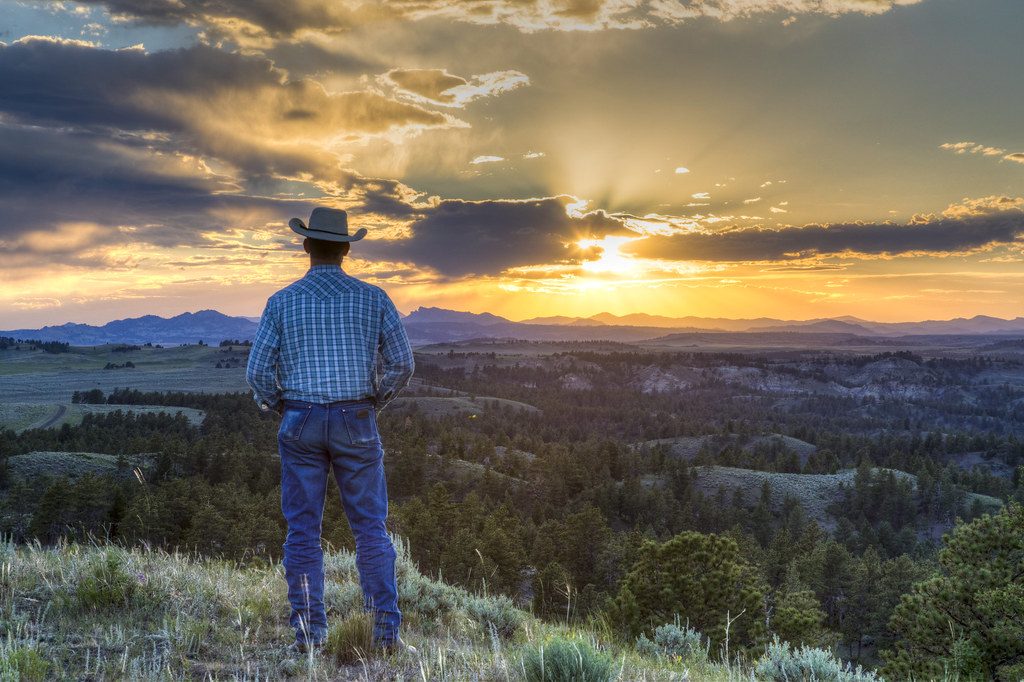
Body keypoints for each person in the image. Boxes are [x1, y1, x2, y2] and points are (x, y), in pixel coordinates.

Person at [245, 207, 415, 654]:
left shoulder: (281, 302)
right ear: (345, 249)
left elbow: (258, 371)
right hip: (355, 418)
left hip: (299, 418)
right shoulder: (373, 298)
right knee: (371, 530)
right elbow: (403, 363)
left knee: (303, 530)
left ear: (306, 247)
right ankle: (383, 634)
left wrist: (281, 404)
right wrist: (375, 401)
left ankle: (308, 634)